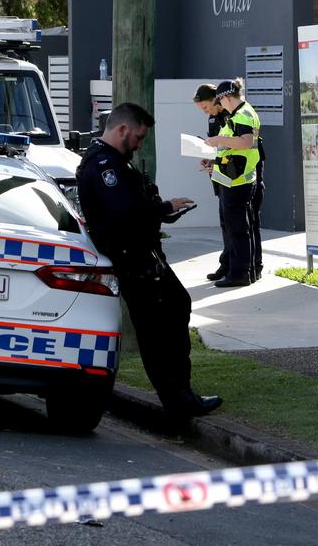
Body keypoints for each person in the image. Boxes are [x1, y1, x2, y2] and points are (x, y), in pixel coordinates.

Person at [76, 102, 223, 425]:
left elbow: (134, 208)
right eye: (138, 138)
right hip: (134, 262)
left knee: (173, 311)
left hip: (144, 257)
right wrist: (163, 207)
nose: (140, 144)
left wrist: (162, 210)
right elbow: (122, 215)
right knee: (157, 331)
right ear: (122, 130)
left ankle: (180, 395)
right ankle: (178, 399)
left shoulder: (112, 162)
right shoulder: (104, 166)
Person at [203, 79, 261, 287]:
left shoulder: (243, 114)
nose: (222, 105)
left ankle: (239, 273)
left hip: (238, 181)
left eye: (221, 101)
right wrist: (214, 159)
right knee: (238, 227)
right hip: (234, 178)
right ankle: (245, 271)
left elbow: (245, 142)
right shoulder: (240, 113)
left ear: (226, 97)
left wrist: (218, 140)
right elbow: (236, 147)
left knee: (237, 229)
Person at [192, 84, 229, 281]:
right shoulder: (213, 118)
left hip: (234, 175)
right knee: (225, 221)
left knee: (235, 224)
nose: (206, 112)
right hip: (218, 173)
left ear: (215, 98)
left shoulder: (231, 115)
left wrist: (218, 160)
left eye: (206, 107)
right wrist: (209, 159)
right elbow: (215, 146)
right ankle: (227, 263)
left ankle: (240, 265)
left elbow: (235, 147)